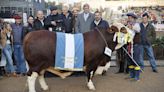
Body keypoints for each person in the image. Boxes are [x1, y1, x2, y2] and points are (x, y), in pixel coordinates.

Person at [126, 13, 141, 81]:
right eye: (128, 18)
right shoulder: (127, 26)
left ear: (134, 19)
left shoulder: (137, 25)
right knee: (130, 61)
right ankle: (131, 75)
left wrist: (131, 27)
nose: (129, 19)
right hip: (129, 45)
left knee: (136, 61)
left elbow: (138, 30)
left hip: (135, 45)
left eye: (130, 18)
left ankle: (137, 77)